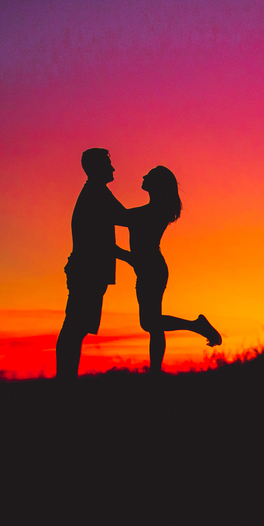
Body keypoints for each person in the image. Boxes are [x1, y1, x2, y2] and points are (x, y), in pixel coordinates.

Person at [116, 166, 221, 373]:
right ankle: (155, 371)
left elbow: (119, 218)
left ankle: (197, 326)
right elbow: (123, 221)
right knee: (153, 324)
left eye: (149, 176)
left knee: (150, 322)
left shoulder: (152, 211)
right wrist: (122, 255)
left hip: (151, 269)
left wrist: (116, 252)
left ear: (157, 184)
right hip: (150, 267)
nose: (143, 176)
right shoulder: (152, 210)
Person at [56, 147, 127, 379]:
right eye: (108, 164)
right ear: (97, 168)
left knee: (76, 329)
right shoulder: (96, 194)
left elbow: (122, 218)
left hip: (89, 271)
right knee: (75, 329)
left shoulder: (98, 193)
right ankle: (65, 380)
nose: (113, 168)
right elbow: (124, 220)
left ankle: (66, 378)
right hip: (87, 272)